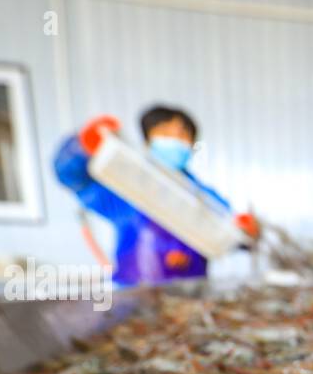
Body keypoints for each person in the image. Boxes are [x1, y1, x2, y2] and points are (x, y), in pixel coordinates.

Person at [53, 105, 257, 286]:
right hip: (134, 296)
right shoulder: (125, 187)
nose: (177, 140)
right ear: (149, 140)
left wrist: (245, 230)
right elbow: (74, 178)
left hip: (193, 296)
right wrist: (81, 147)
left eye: (184, 134)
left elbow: (231, 234)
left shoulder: (203, 196)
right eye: (166, 133)